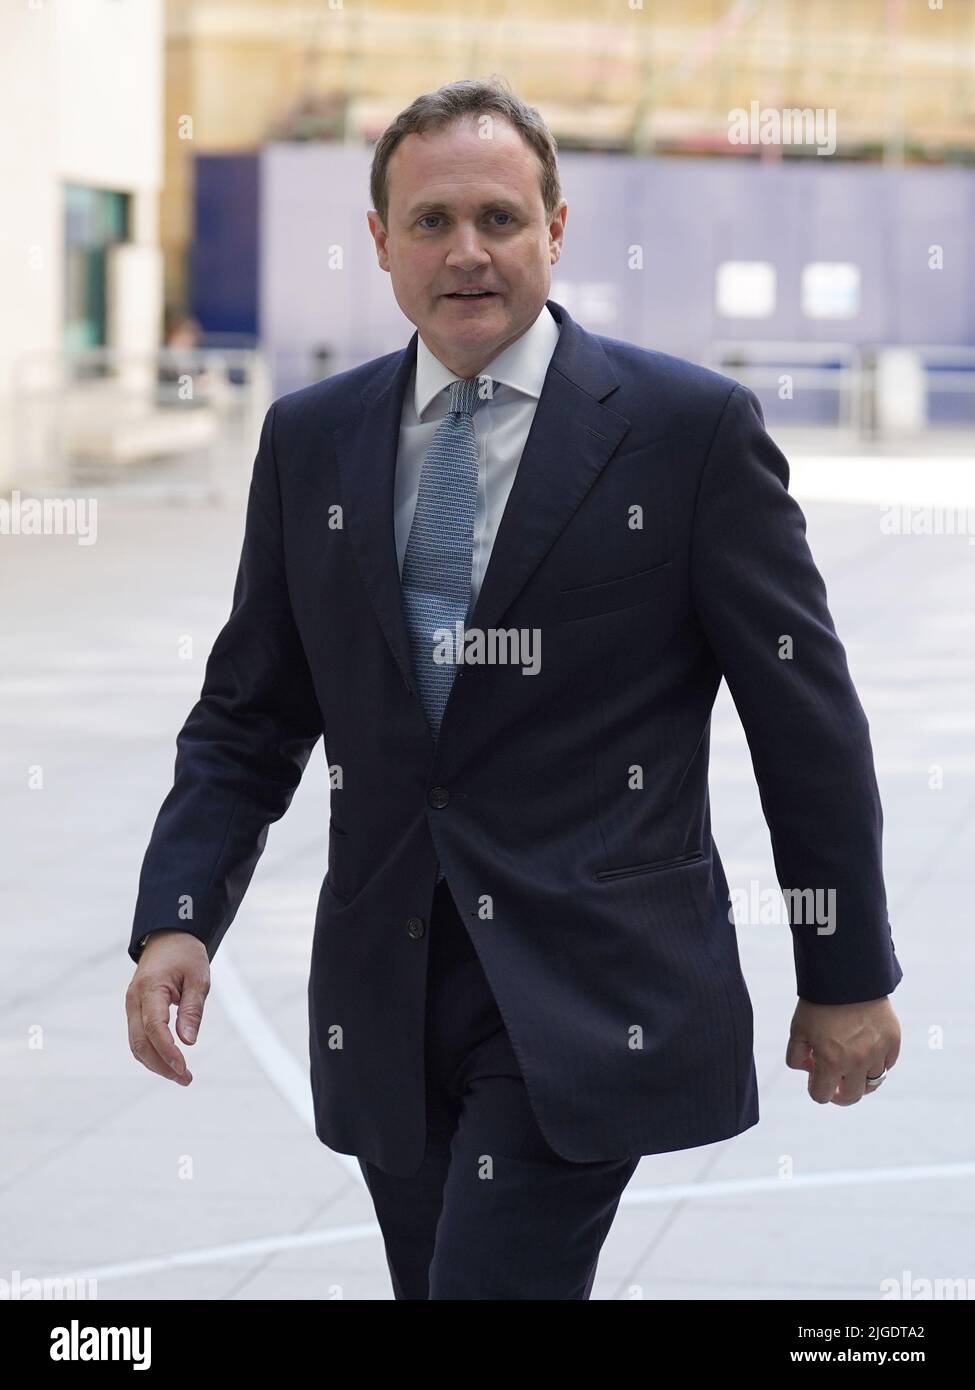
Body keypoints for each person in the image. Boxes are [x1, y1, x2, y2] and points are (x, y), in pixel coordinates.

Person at [125, 78, 903, 1300]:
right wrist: (179, 911)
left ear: (557, 228)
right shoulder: (311, 439)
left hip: (594, 988)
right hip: (387, 990)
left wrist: (845, 967)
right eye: (431, 222)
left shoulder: (685, 431)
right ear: (379, 242)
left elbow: (802, 714)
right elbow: (252, 709)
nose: (468, 252)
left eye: (500, 217)